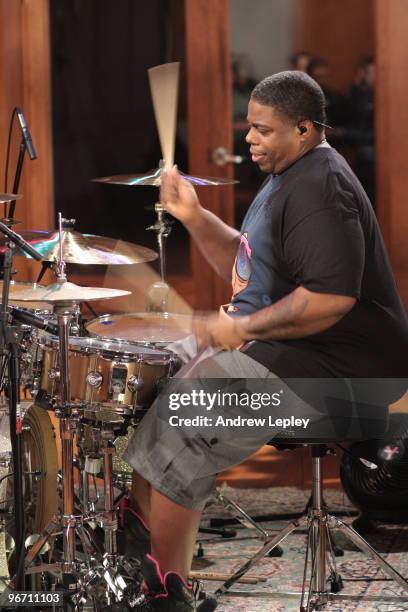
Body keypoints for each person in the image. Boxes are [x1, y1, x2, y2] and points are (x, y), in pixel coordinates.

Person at [105, 71, 408, 611]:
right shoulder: (288, 177)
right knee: (165, 386)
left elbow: (330, 299)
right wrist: (195, 217)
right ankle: (145, 556)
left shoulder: (323, 186)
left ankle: (169, 593)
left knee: (191, 415)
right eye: (250, 127)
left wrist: (242, 328)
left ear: (305, 128)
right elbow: (249, 270)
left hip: (344, 379)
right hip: (304, 360)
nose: (250, 139)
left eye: (263, 130)